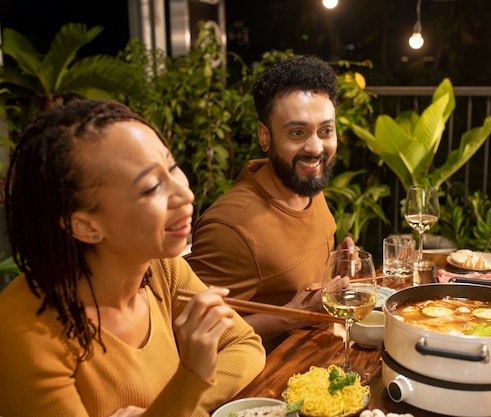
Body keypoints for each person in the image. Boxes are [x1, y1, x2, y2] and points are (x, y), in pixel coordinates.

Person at [0, 99, 265, 417]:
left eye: (172, 167)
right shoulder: (25, 334)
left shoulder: (160, 268)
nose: (185, 194)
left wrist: (165, 407)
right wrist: (190, 378)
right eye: (151, 187)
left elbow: (245, 346)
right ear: (85, 225)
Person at [185, 55, 355, 343]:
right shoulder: (231, 228)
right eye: (297, 132)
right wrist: (289, 316)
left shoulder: (305, 183)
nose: (315, 148)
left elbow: (289, 273)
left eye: (325, 131)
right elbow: (186, 331)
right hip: (264, 382)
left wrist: (332, 265)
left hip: (319, 360)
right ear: (265, 137)